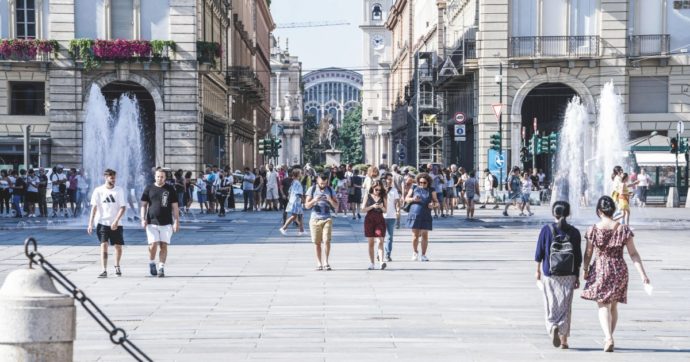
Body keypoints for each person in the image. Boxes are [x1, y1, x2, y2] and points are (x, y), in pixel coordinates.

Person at [581, 196, 650, 352]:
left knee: (602, 304)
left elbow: (588, 253)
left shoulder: (592, 229)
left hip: (600, 268)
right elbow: (633, 254)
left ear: (599, 211)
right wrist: (643, 275)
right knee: (613, 305)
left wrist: (585, 269)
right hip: (619, 268)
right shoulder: (623, 229)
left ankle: (608, 338)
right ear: (613, 210)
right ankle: (608, 337)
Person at [535, 201, 583, 349]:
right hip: (569, 274)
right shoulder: (574, 232)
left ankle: (552, 326)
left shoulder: (546, 230)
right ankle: (563, 341)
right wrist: (576, 275)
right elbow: (578, 256)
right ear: (568, 213)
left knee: (551, 304)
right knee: (565, 307)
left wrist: (537, 271)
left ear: (553, 213)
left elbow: (539, 253)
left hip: (550, 273)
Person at [140, 168, 180, 278]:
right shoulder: (149, 188)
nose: (160, 178)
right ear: (155, 176)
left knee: (164, 245)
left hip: (166, 222)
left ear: (165, 178)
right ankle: (152, 262)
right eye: (158, 176)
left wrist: (176, 221)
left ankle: (161, 267)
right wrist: (142, 218)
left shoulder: (170, 189)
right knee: (153, 245)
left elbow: (175, 207)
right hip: (151, 222)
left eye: (162, 177)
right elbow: (143, 205)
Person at [87, 169, 127, 278]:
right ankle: (104, 269)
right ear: (106, 177)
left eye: (114, 177)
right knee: (104, 245)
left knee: (118, 246)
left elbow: (123, 207)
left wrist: (116, 221)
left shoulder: (119, 190)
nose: (114, 180)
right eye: (111, 178)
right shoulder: (98, 190)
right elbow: (94, 208)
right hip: (102, 222)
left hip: (116, 223)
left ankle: (117, 266)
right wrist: (90, 223)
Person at [304, 172, 338, 271]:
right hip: (315, 219)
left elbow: (336, 206)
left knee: (327, 240)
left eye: (325, 183)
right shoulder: (312, 189)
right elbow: (306, 206)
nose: (323, 185)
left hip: (327, 218)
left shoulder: (330, 190)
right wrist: (314, 200)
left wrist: (330, 200)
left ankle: (326, 262)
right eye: (321, 183)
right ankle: (319, 262)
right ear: (317, 180)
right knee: (317, 242)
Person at [404, 172, 439, 261]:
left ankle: (423, 255)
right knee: (415, 236)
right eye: (420, 182)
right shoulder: (414, 187)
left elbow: (437, 202)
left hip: (426, 214)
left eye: (424, 183)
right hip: (414, 214)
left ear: (428, 182)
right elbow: (406, 199)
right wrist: (413, 199)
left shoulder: (431, 190)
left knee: (425, 235)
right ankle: (415, 252)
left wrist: (433, 205)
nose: (422, 184)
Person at [362, 180, 388, 270]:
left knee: (380, 240)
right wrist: (372, 206)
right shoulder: (368, 196)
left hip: (379, 220)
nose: (378, 191)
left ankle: (381, 262)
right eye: (376, 189)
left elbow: (385, 211)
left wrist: (381, 207)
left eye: (380, 190)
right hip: (369, 220)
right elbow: (363, 209)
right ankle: (372, 263)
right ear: (372, 188)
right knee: (371, 243)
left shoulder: (383, 196)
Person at [280, 169, 305, 236]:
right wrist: (303, 199)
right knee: (294, 216)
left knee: (300, 214)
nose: (301, 174)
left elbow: (289, 191)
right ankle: (284, 228)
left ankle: (301, 230)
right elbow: (298, 193)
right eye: (300, 173)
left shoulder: (294, 182)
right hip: (296, 201)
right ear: (298, 175)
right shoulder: (297, 182)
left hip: (294, 200)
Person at [382, 172, 400, 262]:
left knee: (390, 237)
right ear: (384, 179)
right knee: (380, 237)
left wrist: (397, 211)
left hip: (391, 216)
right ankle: (379, 253)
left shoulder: (394, 190)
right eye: (389, 179)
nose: (390, 181)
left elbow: (396, 202)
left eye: (391, 179)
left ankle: (388, 255)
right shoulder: (379, 189)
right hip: (381, 216)